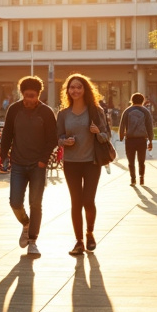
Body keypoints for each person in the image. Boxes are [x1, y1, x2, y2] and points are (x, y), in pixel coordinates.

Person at [0, 76, 58, 257]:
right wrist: (3, 156)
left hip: (37, 166)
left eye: (32, 96)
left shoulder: (46, 112)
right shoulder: (14, 109)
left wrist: (43, 160)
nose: (29, 100)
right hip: (18, 163)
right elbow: (7, 134)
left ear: (39, 95)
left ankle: (33, 240)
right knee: (15, 202)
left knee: (35, 203)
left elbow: (52, 139)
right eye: (26, 96)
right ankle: (26, 223)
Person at [56, 73, 111, 256]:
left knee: (88, 200)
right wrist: (65, 141)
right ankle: (79, 241)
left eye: (79, 87)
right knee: (75, 202)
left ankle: (89, 233)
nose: (75, 90)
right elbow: (58, 137)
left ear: (85, 89)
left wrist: (97, 133)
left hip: (91, 162)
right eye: (72, 87)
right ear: (67, 90)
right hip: (71, 163)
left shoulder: (96, 111)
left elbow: (106, 136)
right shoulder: (63, 114)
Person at [118, 93, 155, 186]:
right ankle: (141, 178)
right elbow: (149, 127)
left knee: (131, 161)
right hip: (142, 140)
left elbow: (122, 125)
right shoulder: (146, 111)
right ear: (143, 101)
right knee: (141, 161)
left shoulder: (127, 111)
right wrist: (150, 140)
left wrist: (121, 136)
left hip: (130, 139)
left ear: (131, 100)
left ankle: (133, 179)